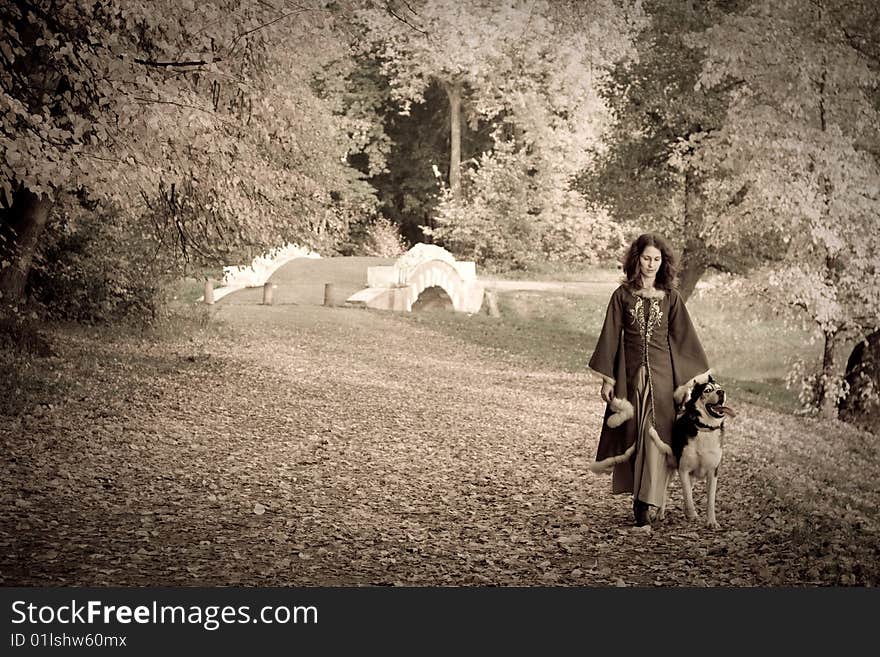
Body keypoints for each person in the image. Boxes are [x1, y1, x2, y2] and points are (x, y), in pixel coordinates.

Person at [588, 233, 711, 526]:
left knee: (656, 439)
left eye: (656, 259)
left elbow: (684, 339)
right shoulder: (622, 296)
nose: (651, 265)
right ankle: (640, 499)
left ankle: (647, 503)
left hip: (663, 378)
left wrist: (689, 382)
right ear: (636, 259)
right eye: (646, 258)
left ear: (663, 262)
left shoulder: (671, 298)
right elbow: (609, 336)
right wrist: (607, 380)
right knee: (636, 436)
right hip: (631, 378)